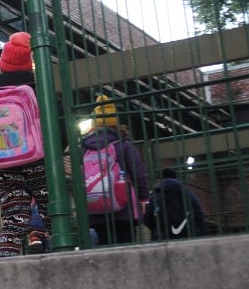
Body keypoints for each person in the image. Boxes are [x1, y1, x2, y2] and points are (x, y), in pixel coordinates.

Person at [0, 32, 52, 257]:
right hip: (37, 159)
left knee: (13, 216)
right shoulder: (38, 90)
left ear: (2, 66)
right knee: (50, 210)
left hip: (3, 164)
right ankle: (60, 256)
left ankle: (6, 263)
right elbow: (57, 126)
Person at [81, 95, 150, 245]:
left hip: (95, 209)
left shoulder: (84, 148)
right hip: (123, 209)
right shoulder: (123, 145)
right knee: (126, 244)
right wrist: (144, 198)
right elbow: (138, 173)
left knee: (104, 245)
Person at [144, 167, 208, 240]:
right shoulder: (188, 194)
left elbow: (146, 218)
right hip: (189, 235)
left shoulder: (154, 196)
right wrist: (202, 232)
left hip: (163, 238)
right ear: (176, 178)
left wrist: (156, 228)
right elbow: (199, 214)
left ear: (160, 179)